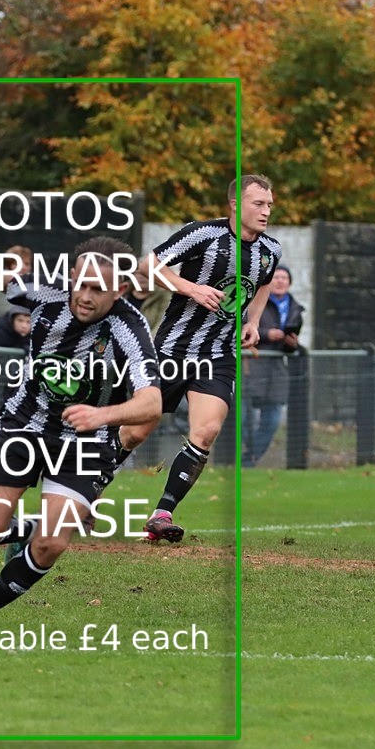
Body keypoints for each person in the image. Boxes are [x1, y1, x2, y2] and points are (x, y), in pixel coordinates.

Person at [0, 237, 162, 638]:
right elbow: (8, 281)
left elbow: (151, 403)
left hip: (85, 442)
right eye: (79, 284)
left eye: (97, 289)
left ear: (120, 289)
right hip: (23, 425)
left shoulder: (130, 328)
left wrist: (103, 414)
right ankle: (30, 527)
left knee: (51, 544)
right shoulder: (47, 294)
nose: (84, 297)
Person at [115, 174, 282, 541]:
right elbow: (149, 265)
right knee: (134, 433)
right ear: (236, 204)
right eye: (258, 203)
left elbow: (265, 281)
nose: (266, 211)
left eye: (269, 204)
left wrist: (253, 320)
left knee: (206, 431)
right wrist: (191, 288)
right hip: (172, 350)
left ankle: (162, 513)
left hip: (219, 355)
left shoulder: (270, 250)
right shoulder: (203, 234)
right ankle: (84, 493)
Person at [242, 265, 304, 466]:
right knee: (243, 421)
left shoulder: (295, 309)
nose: (280, 281)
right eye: (276, 277)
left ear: (289, 282)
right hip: (252, 367)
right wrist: (267, 334)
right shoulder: (254, 302)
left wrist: (291, 344)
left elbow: (292, 344)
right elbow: (239, 331)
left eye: (284, 277)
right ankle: (244, 459)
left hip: (277, 371)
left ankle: (248, 461)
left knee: (272, 421)